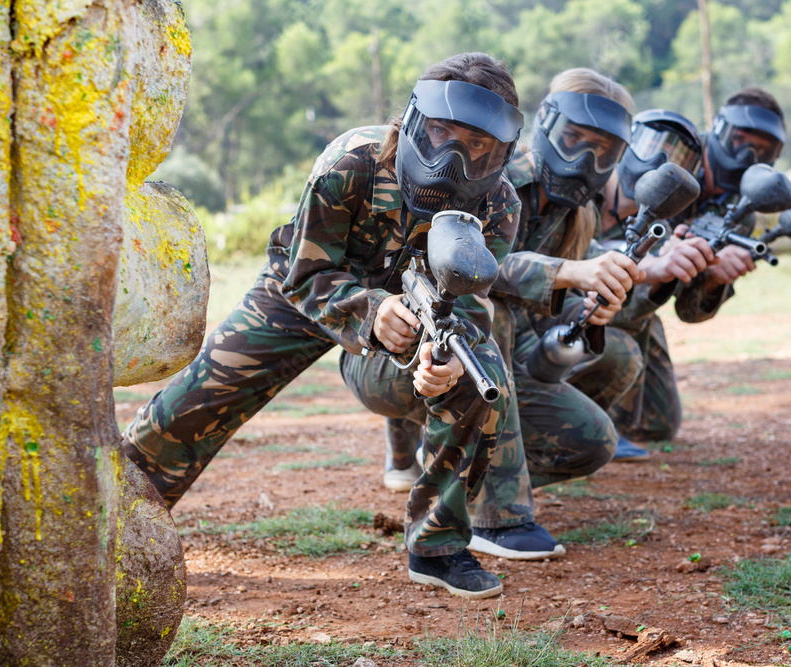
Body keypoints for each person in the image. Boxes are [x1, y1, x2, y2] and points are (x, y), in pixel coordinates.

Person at [123, 52, 529, 599]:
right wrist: (369, 311)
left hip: (412, 321)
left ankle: (438, 548)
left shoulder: (498, 203)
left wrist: (450, 356)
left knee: (476, 381)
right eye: (442, 134)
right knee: (194, 402)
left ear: (499, 152)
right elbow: (305, 271)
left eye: (477, 146)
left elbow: (472, 301)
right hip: (306, 292)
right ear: (414, 122)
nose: (455, 158)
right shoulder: (354, 161)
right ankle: (108, 519)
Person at [377, 68, 711, 559]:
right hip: (418, 348)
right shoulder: (492, 179)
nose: (584, 159)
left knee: (602, 411)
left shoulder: (581, 214)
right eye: (574, 139)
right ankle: (498, 516)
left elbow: (560, 301)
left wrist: (601, 299)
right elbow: (462, 268)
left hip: (506, 364)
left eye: (603, 150)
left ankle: (460, 473)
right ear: (547, 125)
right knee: (493, 318)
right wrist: (569, 272)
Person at [591, 88, 786, 459]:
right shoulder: (672, 156)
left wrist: (715, 277)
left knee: (657, 422)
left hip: (643, 305)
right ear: (719, 131)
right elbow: (596, 238)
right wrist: (660, 261)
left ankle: (592, 407)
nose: (748, 157)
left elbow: (690, 312)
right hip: (588, 285)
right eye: (741, 142)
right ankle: (577, 419)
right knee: (620, 305)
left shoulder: (741, 212)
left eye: (763, 151)